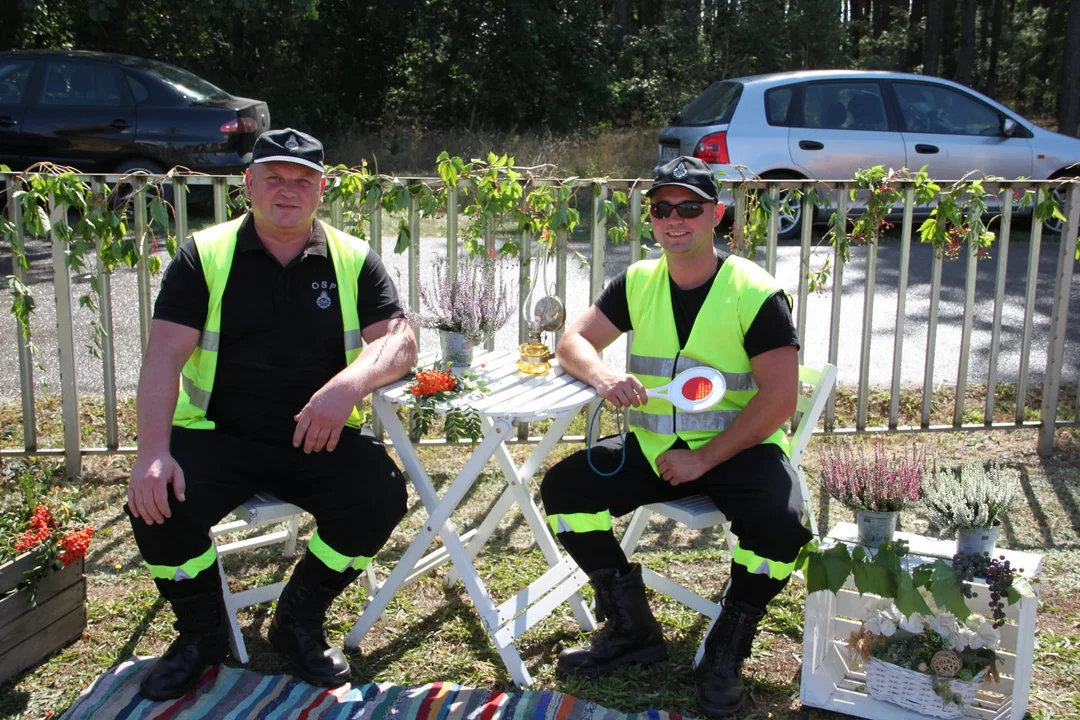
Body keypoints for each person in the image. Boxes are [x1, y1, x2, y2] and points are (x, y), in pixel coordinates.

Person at [126, 128, 417, 700]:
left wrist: (346, 387)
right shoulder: (204, 254)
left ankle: (298, 618)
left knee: (379, 496)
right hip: (217, 435)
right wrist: (152, 453)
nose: (289, 189)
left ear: (321, 188)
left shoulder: (352, 257)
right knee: (156, 505)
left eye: (303, 179)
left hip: (315, 434)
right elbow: (163, 358)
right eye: (275, 177)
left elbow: (401, 343)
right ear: (248, 184)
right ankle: (200, 633)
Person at [540, 156, 809, 717]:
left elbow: (779, 399)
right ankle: (632, 628)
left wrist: (705, 460)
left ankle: (727, 649)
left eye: (690, 207)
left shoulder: (754, 290)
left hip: (741, 448)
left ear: (717, 215)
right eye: (662, 208)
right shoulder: (637, 280)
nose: (674, 219)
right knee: (566, 490)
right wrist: (604, 373)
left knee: (782, 529)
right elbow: (572, 341)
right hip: (657, 450)